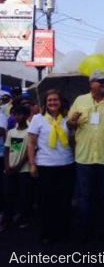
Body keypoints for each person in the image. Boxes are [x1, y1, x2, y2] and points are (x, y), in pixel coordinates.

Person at [67, 71, 104, 240]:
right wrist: (73, 120)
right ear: (91, 84)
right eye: (101, 82)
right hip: (84, 158)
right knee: (84, 196)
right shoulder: (80, 100)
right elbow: (69, 124)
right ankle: (85, 232)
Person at [27, 89, 75, 244]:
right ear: (45, 103)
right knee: (46, 202)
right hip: (45, 166)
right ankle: (47, 233)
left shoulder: (67, 119)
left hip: (66, 164)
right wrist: (32, 164)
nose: (53, 103)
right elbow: (31, 143)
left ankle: (64, 232)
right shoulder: (37, 119)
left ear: (61, 102)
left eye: (56, 100)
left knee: (64, 201)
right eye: (50, 100)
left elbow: (73, 141)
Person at [0, 106, 32, 232]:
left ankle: (24, 219)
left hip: (24, 170)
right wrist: (7, 166)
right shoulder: (13, 132)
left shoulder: (30, 132)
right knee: (9, 195)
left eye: (21, 115)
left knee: (24, 196)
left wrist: (19, 165)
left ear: (26, 115)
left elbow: (28, 152)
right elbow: (9, 149)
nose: (18, 117)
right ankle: (7, 220)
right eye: (16, 115)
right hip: (10, 169)